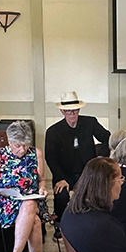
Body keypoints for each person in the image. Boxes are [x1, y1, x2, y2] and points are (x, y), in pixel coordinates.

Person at [0, 121, 52, 252]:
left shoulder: (36, 153)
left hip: (32, 198)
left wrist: (43, 188)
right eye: (17, 145)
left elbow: (42, 180)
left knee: (29, 203)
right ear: (9, 142)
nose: (22, 149)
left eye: (25, 145)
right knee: (35, 222)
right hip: (6, 202)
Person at [44, 92, 111, 232]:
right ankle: (60, 224)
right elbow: (51, 157)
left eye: (75, 110)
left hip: (87, 171)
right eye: (68, 111)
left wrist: (101, 158)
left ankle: (91, 223)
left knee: (96, 194)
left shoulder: (90, 122)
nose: (72, 114)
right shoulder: (53, 131)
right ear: (63, 111)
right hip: (64, 173)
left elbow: (107, 138)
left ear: (79, 110)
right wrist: (61, 178)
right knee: (61, 193)